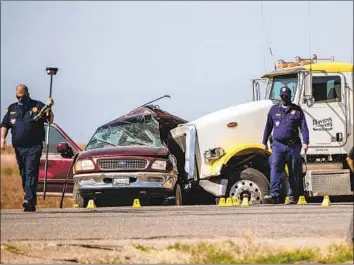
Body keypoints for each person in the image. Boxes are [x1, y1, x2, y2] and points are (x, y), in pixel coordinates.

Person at [1, 84, 54, 212]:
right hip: (19, 148)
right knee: (24, 173)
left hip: (34, 147)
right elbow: (4, 124)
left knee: (30, 171)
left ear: (27, 94)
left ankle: (28, 199)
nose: (19, 99)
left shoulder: (38, 106)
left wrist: (50, 108)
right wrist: (2, 139)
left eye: (22, 97)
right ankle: (30, 202)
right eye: (17, 97)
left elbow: (50, 120)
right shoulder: (12, 109)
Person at [262, 86, 309, 204]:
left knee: (294, 171)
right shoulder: (273, 110)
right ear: (280, 96)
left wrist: (306, 142)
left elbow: (304, 128)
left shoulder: (297, 111)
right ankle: (274, 195)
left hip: (293, 146)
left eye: (286, 96)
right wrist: (264, 142)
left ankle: (293, 196)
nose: (284, 98)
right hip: (278, 146)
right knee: (275, 169)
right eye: (282, 96)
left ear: (290, 96)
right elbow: (268, 127)